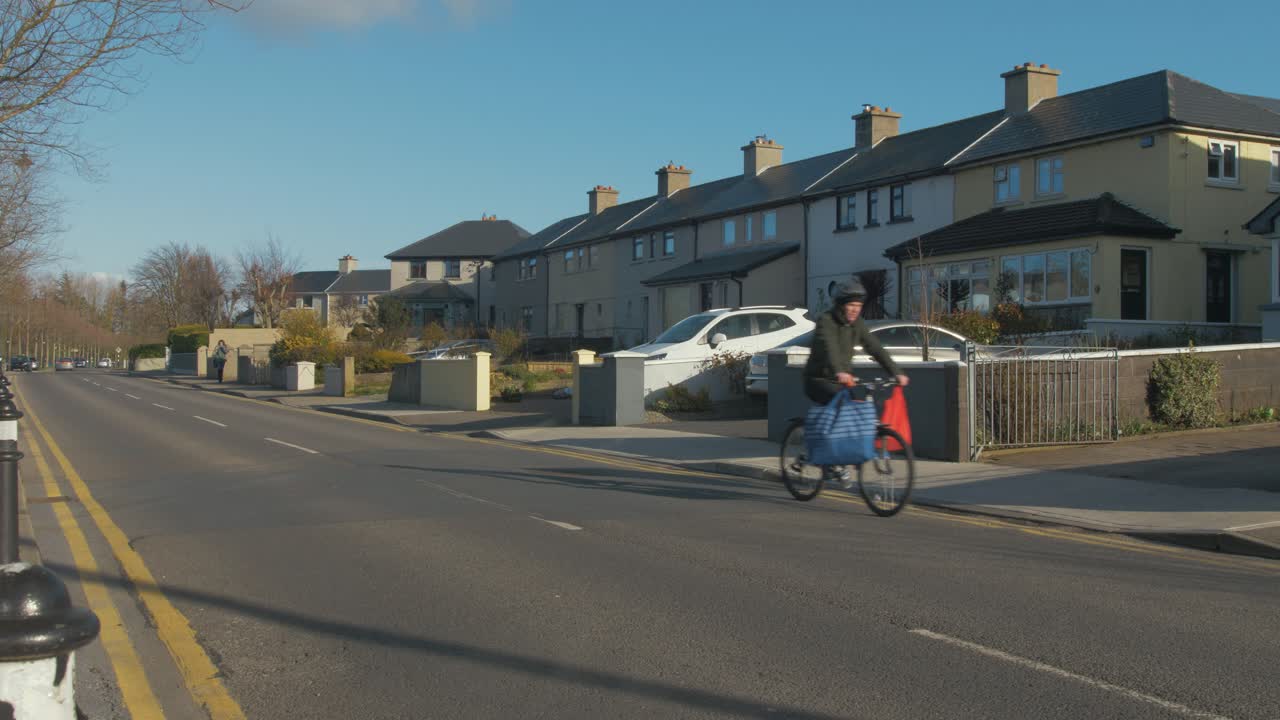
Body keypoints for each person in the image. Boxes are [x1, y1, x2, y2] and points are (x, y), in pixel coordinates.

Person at [803, 279, 909, 487]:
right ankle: (831, 463)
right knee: (842, 402)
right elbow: (829, 346)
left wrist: (896, 372)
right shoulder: (827, 321)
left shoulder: (857, 325)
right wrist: (840, 371)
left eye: (858, 306)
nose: (855, 310)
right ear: (841, 305)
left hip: (842, 380)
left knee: (855, 404)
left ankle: (843, 454)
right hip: (817, 379)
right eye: (851, 305)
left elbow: (875, 348)